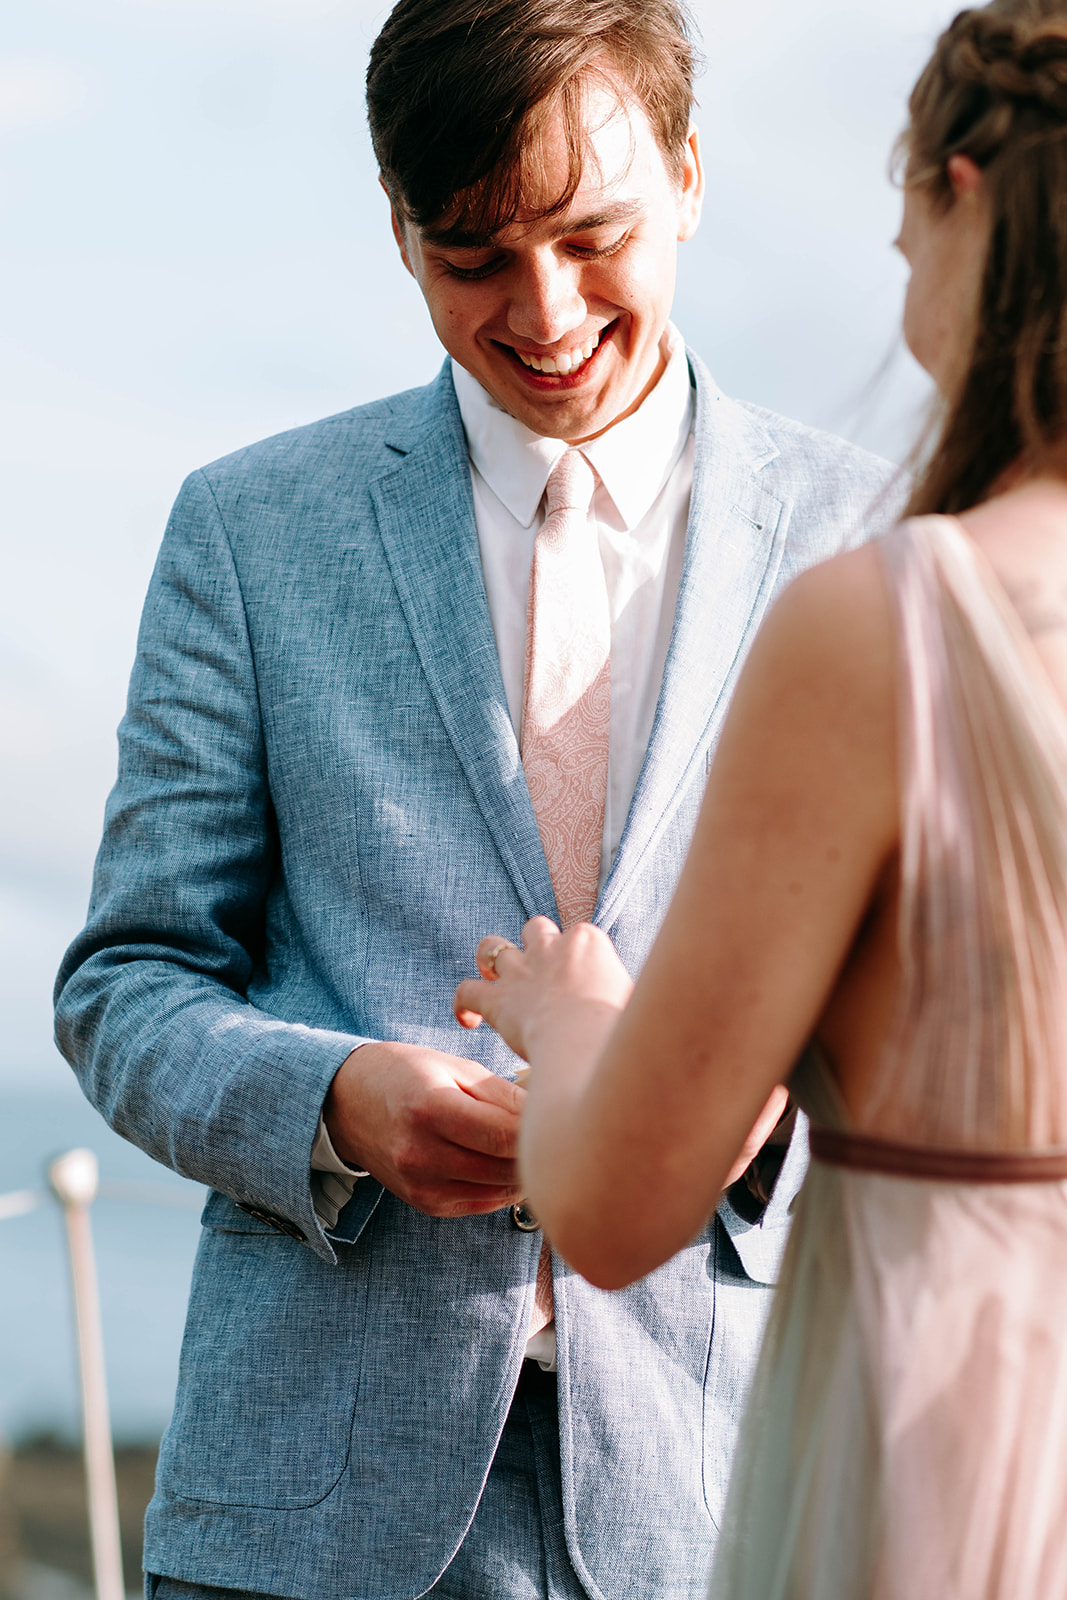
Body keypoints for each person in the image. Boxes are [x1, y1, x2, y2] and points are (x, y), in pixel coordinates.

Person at [53, 3, 896, 1598]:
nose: (548, 309)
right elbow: (127, 982)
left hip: (729, 1500)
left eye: (594, 236)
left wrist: (754, 1109)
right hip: (305, 1512)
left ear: (694, 176)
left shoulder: (868, 541)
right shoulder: (248, 530)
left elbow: (918, 1007)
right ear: (398, 230)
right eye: (472, 257)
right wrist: (333, 1104)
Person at [454, 1, 1067, 1594]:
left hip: (957, 1439)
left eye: (899, 201)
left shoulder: (892, 618)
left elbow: (613, 1201)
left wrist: (571, 1012)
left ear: (968, 193)